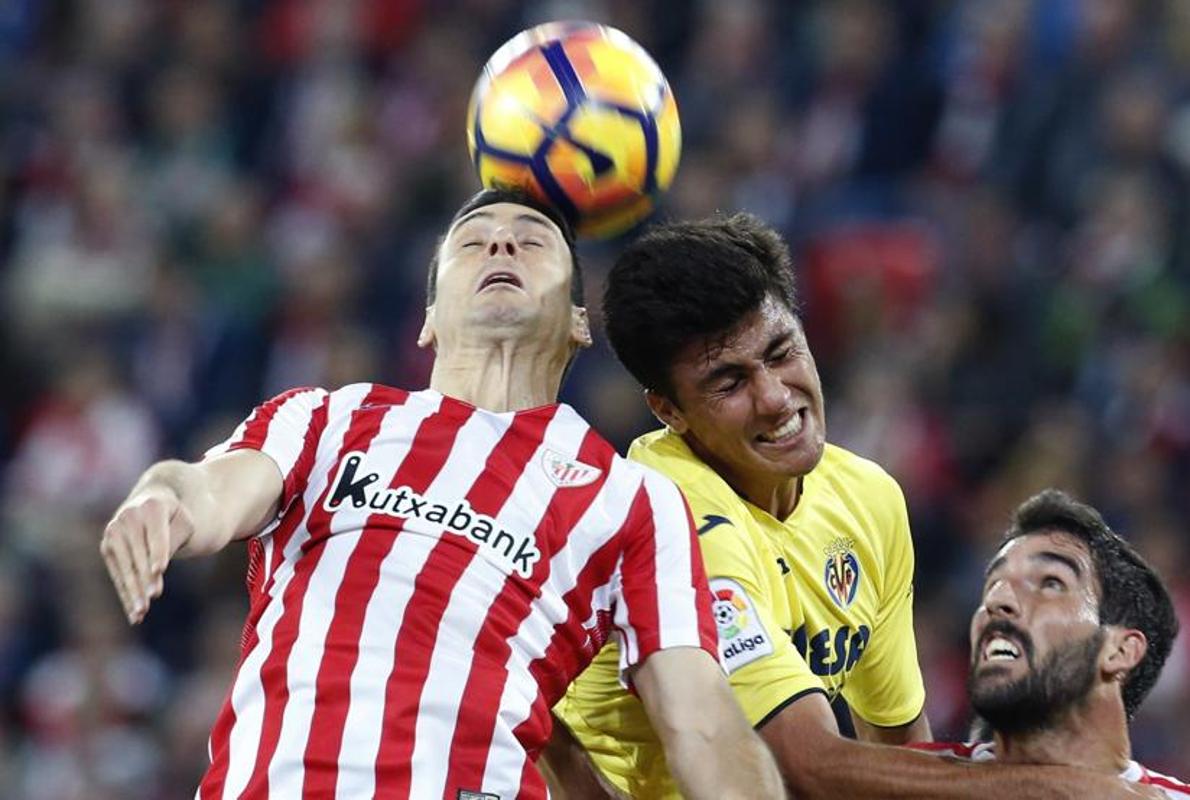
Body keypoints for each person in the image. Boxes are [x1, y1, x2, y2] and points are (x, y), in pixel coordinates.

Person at [98, 188, 783, 800]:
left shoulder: (631, 498)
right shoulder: (329, 418)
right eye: (473, 239)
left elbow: (705, 725)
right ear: (427, 318)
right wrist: (161, 497)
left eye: (533, 239)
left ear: (579, 322)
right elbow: (210, 488)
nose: (502, 242)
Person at [549, 213, 1165, 799]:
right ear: (669, 411)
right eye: (729, 382)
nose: (774, 398)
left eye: (780, 352)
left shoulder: (868, 498)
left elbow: (898, 748)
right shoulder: (669, 512)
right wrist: (1062, 788)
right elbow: (805, 766)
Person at [913, 488, 1188, 796]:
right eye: (992, 584)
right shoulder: (897, 781)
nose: (997, 600)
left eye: (1051, 583)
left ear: (1120, 651)